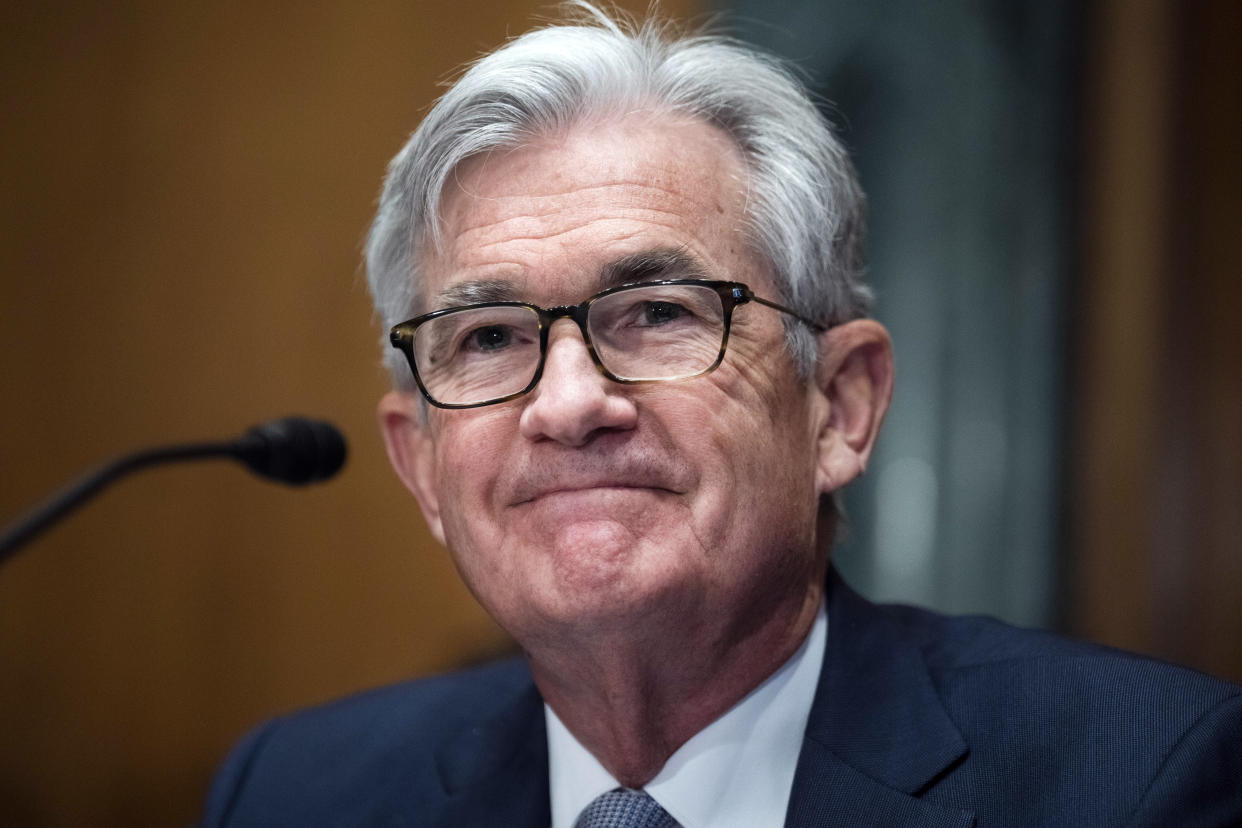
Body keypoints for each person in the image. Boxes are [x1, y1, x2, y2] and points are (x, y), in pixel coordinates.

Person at [202, 5, 1242, 826]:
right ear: (421, 465)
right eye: (489, 340)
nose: (567, 404)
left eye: (657, 313)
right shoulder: (295, 793)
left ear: (839, 407)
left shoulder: (1141, 781)